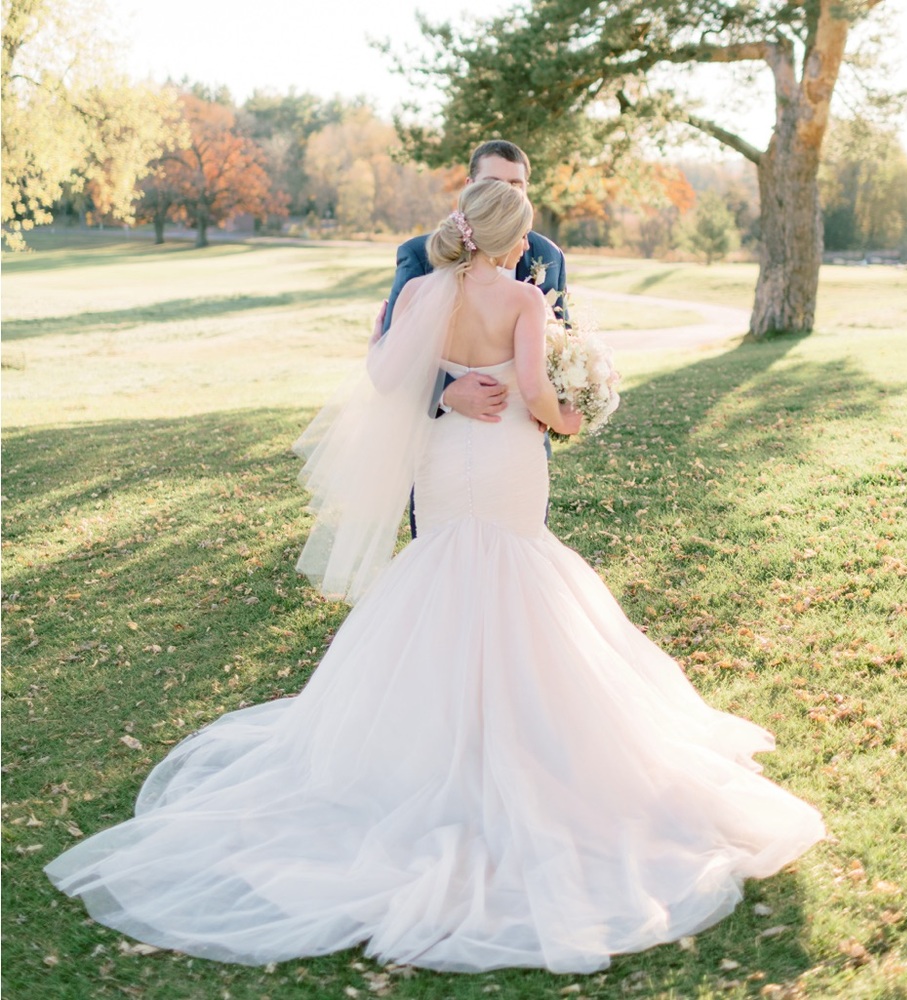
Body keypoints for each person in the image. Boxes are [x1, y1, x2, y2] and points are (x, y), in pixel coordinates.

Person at [45, 180, 825, 975]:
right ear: (507, 238)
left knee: (446, 576)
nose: (529, 247)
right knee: (521, 579)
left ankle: (434, 744)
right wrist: (575, 413)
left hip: (449, 462)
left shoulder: (419, 289)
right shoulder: (523, 303)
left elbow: (386, 381)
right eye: (524, 235)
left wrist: (451, 388)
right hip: (510, 456)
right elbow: (540, 395)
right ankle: (526, 746)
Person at [383, 139, 566, 427]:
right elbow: (395, 350)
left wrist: (554, 402)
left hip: (521, 429)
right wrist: (446, 393)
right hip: (443, 427)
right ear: (469, 186)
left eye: (515, 185)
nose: (503, 193)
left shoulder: (547, 254)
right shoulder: (420, 254)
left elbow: (563, 337)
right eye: (492, 182)